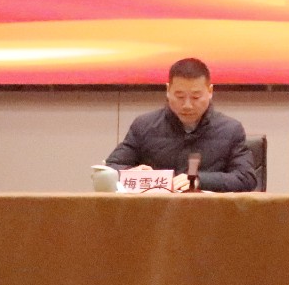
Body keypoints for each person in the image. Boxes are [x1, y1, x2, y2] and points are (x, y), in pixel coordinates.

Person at [107, 57, 257, 192]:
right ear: (168, 90)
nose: (187, 105)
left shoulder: (230, 130)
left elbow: (246, 178)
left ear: (210, 91)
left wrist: (200, 180)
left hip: (209, 211)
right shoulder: (144, 126)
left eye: (196, 97)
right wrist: (131, 172)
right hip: (156, 210)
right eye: (179, 96)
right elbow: (110, 167)